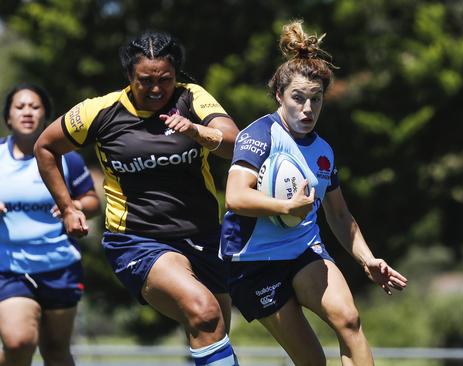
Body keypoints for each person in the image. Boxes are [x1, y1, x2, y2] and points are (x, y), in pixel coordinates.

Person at [34, 31, 240, 366]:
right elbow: (45, 146)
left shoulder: (192, 98)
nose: (157, 89)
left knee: (212, 330)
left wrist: (195, 131)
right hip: (138, 240)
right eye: (145, 80)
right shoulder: (99, 112)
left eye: (166, 80)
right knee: (204, 312)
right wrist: (69, 206)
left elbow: (234, 143)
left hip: (204, 236)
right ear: (129, 76)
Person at [220, 20, 408, 366]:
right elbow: (235, 197)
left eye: (316, 100)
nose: (307, 109)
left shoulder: (323, 151)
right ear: (279, 95)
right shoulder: (258, 136)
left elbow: (339, 215)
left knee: (349, 320)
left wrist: (368, 259)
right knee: (312, 361)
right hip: (253, 262)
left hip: (302, 249)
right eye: (298, 98)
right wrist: (286, 206)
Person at [0, 83, 100, 366]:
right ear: (8, 117)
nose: (27, 112)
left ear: (45, 115)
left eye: (34, 106)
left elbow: (93, 202)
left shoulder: (67, 159)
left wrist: (76, 206)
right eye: (20, 107)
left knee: (56, 350)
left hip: (60, 265)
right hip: (9, 268)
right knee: (19, 341)